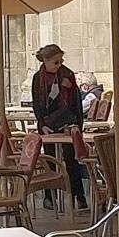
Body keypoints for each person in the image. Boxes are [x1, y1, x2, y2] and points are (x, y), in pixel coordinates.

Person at [30, 44, 87, 211]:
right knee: (50, 159)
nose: (59, 65)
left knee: (71, 159)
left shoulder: (67, 74)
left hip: (67, 121)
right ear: (46, 61)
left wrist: (71, 88)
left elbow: (75, 101)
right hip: (48, 123)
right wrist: (42, 124)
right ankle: (49, 197)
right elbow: (37, 104)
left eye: (61, 61)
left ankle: (79, 196)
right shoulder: (38, 78)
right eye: (56, 62)